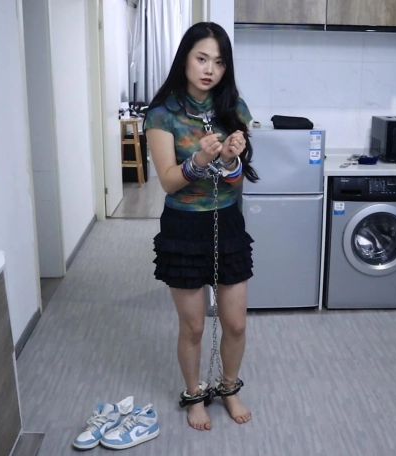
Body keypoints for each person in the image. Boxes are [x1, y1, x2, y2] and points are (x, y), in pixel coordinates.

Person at [143, 21, 258, 431]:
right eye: (202, 58)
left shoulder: (234, 108)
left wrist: (228, 158)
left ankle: (229, 388)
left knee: (236, 323)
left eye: (219, 62)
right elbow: (169, 182)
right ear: (185, 59)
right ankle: (194, 395)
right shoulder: (162, 114)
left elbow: (237, 181)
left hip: (227, 222)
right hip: (184, 228)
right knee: (193, 326)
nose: (210, 69)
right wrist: (200, 160)